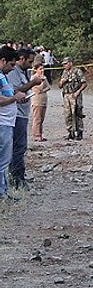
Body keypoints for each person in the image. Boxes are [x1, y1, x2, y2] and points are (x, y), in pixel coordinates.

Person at [7, 48, 42, 189]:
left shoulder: (25, 71)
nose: (31, 64)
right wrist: (33, 83)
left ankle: (18, 177)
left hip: (23, 113)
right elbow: (15, 91)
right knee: (18, 147)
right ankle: (16, 179)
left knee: (20, 147)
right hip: (16, 115)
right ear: (21, 58)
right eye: (29, 61)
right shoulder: (12, 72)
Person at [0, 46, 25, 200]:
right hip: (2, 124)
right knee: (2, 161)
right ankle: (2, 194)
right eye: (11, 65)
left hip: (8, 123)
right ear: (3, 60)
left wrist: (16, 94)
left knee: (4, 160)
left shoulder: (3, 76)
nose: (12, 68)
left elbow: (7, 94)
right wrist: (14, 98)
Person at [58, 57, 87, 140]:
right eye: (63, 64)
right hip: (66, 95)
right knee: (67, 115)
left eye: (66, 64)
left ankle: (79, 132)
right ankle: (71, 132)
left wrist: (78, 91)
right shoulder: (64, 72)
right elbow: (59, 86)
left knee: (77, 113)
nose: (64, 65)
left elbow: (84, 83)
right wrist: (62, 82)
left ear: (70, 63)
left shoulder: (77, 71)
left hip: (75, 95)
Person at [30, 60, 51, 142]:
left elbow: (48, 87)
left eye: (43, 69)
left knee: (42, 118)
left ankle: (40, 134)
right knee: (37, 118)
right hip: (37, 100)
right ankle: (36, 135)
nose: (42, 70)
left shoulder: (44, 77)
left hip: (44, 100)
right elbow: (39, 88)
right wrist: (42, 81)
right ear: (36, 70)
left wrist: (43, 89)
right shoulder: (34, 78)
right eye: (40, 69)